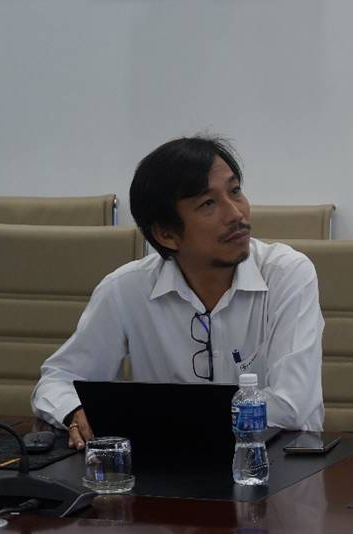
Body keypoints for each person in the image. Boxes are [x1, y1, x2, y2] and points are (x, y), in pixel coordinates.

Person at [32, 135, 324, 448]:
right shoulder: (126, 289)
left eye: (235, 191)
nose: (236, 214)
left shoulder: (286, 274)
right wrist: (74, 410)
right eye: (208, 203)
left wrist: (158, 417)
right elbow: (56, 380)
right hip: (162, 465)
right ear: (166, 234)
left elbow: (292, 406)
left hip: (274, 463)